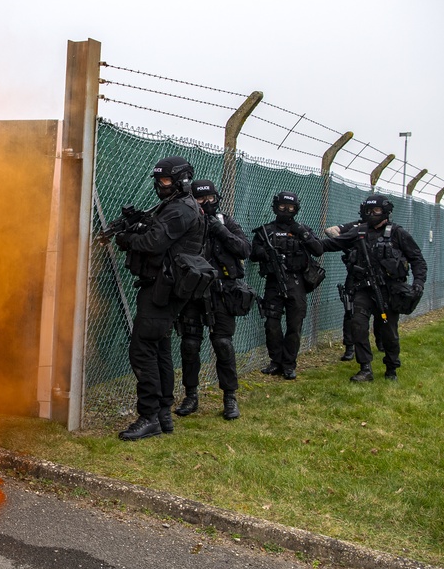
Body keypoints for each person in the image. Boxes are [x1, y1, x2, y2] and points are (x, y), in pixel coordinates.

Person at [113, 156, 204, 441]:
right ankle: (163, 413)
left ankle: (149, 415)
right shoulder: (177, 206)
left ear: (182, 180)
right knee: (159, 348)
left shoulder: (180, 209)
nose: (159, 185)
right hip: (164, 287)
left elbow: (154, 243)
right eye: (158, 180)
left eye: (164, 180)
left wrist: (128, 239)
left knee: (142, 350)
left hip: (162, 289)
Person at [320, 194, 427, 382]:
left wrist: (418, 283)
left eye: (376, 211)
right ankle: (365, 368)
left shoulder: (397, 233)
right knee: (358, 324)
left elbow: (417, 260)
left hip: (389, 291)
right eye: (368, 211)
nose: (371, 214)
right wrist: (306, 241)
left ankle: (391, 367)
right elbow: (332, 243)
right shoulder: (359, 231)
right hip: (364, 289)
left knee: (389, 332)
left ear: (385, 212)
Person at [174, 180, 251, 420]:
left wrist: (220, 230)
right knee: (189, 345)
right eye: (200, 199)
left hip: (223, 294)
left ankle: (230, 397)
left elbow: (244, 249)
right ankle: (191, 395)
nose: (206, 203)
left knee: (223, 344)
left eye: (210, 198)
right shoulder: (188, 223)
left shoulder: (225, 221)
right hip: (194, 293)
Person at [250, 191, 324, 380]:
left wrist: (302, 233)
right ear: (275, 207)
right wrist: (266, 253)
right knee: (272, 325)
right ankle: (276, 362)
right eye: (282, 207)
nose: (286, 210)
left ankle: (289, 364)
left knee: (294, 325)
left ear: (296, 209)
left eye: (290, 207)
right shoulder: (266, 231)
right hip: (274, 283)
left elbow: (318, 249)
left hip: (296, 283)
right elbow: (252, 252)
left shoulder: (302, 229)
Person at [324, 221, 385, 360]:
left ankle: (381, 342)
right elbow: (330, 230)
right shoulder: (357, 227)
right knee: (350, 311)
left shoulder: (388, 230)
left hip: (377, 276)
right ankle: (350, 347)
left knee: (380, 308)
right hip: (356, 276)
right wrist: (351, 248)